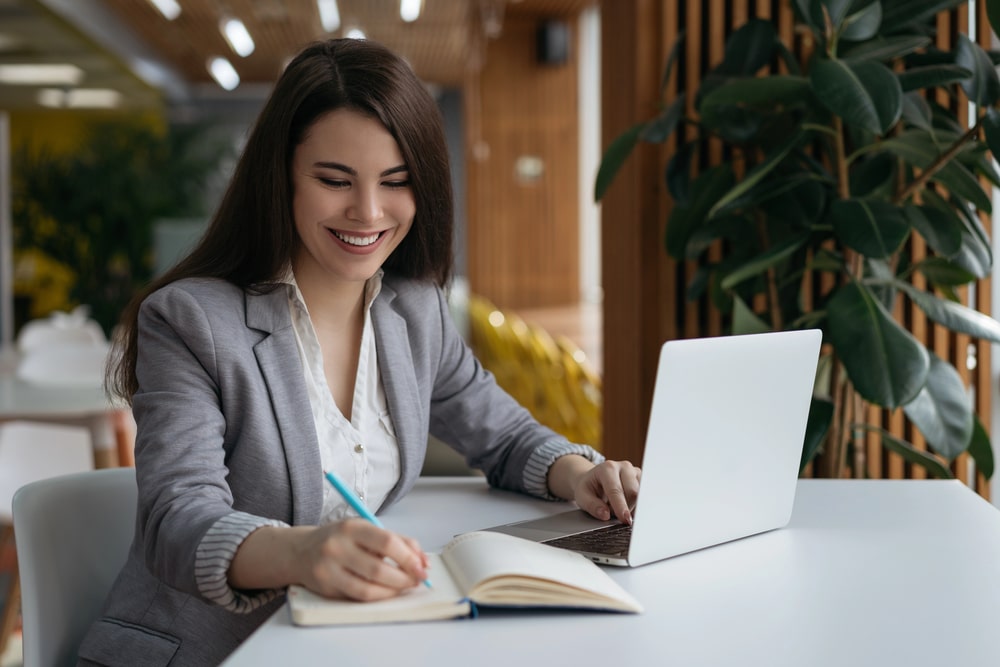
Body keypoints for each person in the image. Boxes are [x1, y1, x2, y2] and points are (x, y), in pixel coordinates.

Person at [78, 37, 640, 666]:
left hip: (347, 641)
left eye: (395, 182)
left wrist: (580, 474)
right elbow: (176, 520)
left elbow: (503, 435)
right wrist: (302, 552)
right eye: (334, 180)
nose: (368, 212)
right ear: (282, 177)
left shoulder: (414, 309)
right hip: (207, 652)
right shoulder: (191, 321)